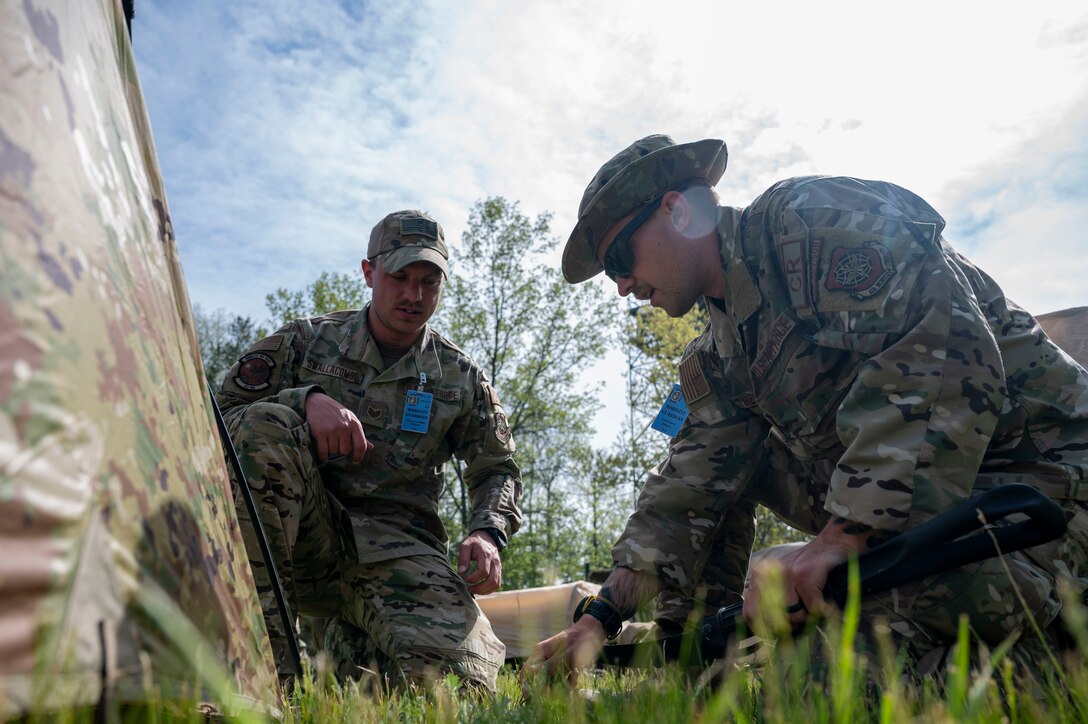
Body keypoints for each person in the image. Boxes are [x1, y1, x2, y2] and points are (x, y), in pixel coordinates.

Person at [527, 134, 1088, 676]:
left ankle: (1053, 651)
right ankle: (689, 657)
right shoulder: (719, 355)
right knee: (722, 475)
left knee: (827, 664)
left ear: (677, 212)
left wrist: (842, 539)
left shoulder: (807, 223)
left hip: (1043, 488)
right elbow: (686, 487)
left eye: (621, 258)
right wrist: (600, 619)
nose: (622, 285)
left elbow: (948, 351)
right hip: (936, 514)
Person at [217, 210, 522, 692]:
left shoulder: (459, 377)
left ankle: (346, 644)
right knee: (263, 426)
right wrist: (305, 402)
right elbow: (219, 416)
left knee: (457, 691)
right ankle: (260, 681)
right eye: (399, 277)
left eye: (429, 282)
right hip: (303, 545)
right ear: (368, 273)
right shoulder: (306, 342)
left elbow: (497, 468)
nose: (413, 295)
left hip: (399, 554)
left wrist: (487, 533)